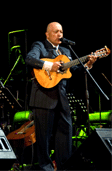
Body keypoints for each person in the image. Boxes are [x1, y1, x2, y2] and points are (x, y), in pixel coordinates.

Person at [25, 22, 97, 170]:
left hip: (62, 99)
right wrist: (50, 66)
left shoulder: (65, 50)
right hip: (43, 97)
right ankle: (45, 167)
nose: (60, 35)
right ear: (47, 34)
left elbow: (73, 72)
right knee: (43, 138)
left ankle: (64, 166)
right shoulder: (40, 45)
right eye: (56, 31)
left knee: (66, 133)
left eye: (61, 32)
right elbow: (30, 59)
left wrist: (88, 64)